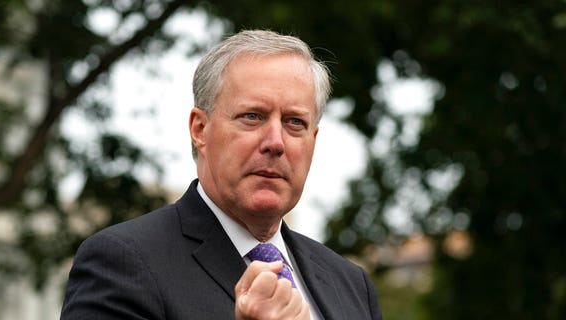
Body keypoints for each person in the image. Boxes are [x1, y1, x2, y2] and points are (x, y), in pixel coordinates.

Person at [61, 29, 382, 320]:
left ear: (313, 141)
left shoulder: (351, 284)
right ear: (200, 129)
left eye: (294, 122)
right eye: (252, 116)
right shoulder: (123, 263)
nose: (275, 142)